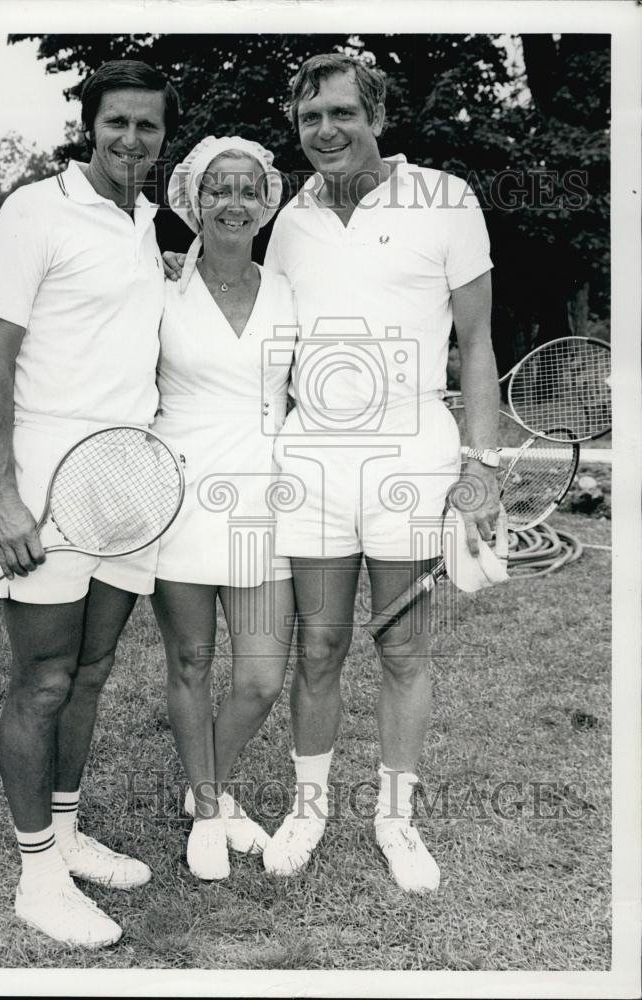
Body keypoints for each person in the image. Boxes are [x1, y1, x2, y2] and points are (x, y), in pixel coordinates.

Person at [166, 53, 501, 891]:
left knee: (403, 648)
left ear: (377, 115)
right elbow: (236, 307)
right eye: (311, 118)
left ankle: (396, 818)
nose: (326, 132)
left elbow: (480, 344)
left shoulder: (446, 199)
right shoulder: (292, 219)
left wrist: (482, 463)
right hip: (310, 462)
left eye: (343, 114)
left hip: (413, 455)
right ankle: (308, 808)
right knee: (317, 645)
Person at [0, 60, 179, 947]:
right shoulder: (34, 210)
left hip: (127, 475)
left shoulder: (148, 224)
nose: (132, 140)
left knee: (90, 673)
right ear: (88, 125)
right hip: (45, 476)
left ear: (164, 138)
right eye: (117, 123)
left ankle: (65, 829)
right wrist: (2, 495)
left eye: (148, 127)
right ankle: (38, 875)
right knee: (45, 678)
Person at [152, 136, 297, 880]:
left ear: (266, 201)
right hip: (176, 493)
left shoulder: (289, 288)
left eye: (247, 189)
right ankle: (210, 809)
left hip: (264, 501)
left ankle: (201, 784)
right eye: (217, 190)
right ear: (193, 202)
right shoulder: (160, 282)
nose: (233, 202)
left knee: (260, 677)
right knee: (191, 660)